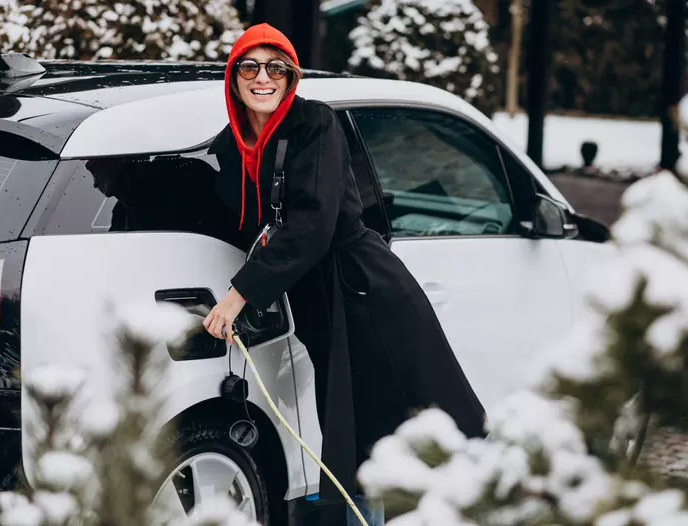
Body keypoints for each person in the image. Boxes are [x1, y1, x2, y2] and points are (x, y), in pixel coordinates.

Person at [202, 23, 487, 526]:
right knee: (352, 434)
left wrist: (239, 294)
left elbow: (313, 224)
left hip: (364, 289)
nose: (263, 78)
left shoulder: (315, 124)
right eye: (250, 67)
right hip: (319, 299)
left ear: (291, 77)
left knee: (396, 430)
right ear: (234, 77)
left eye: (276, 68)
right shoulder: (231, 144)